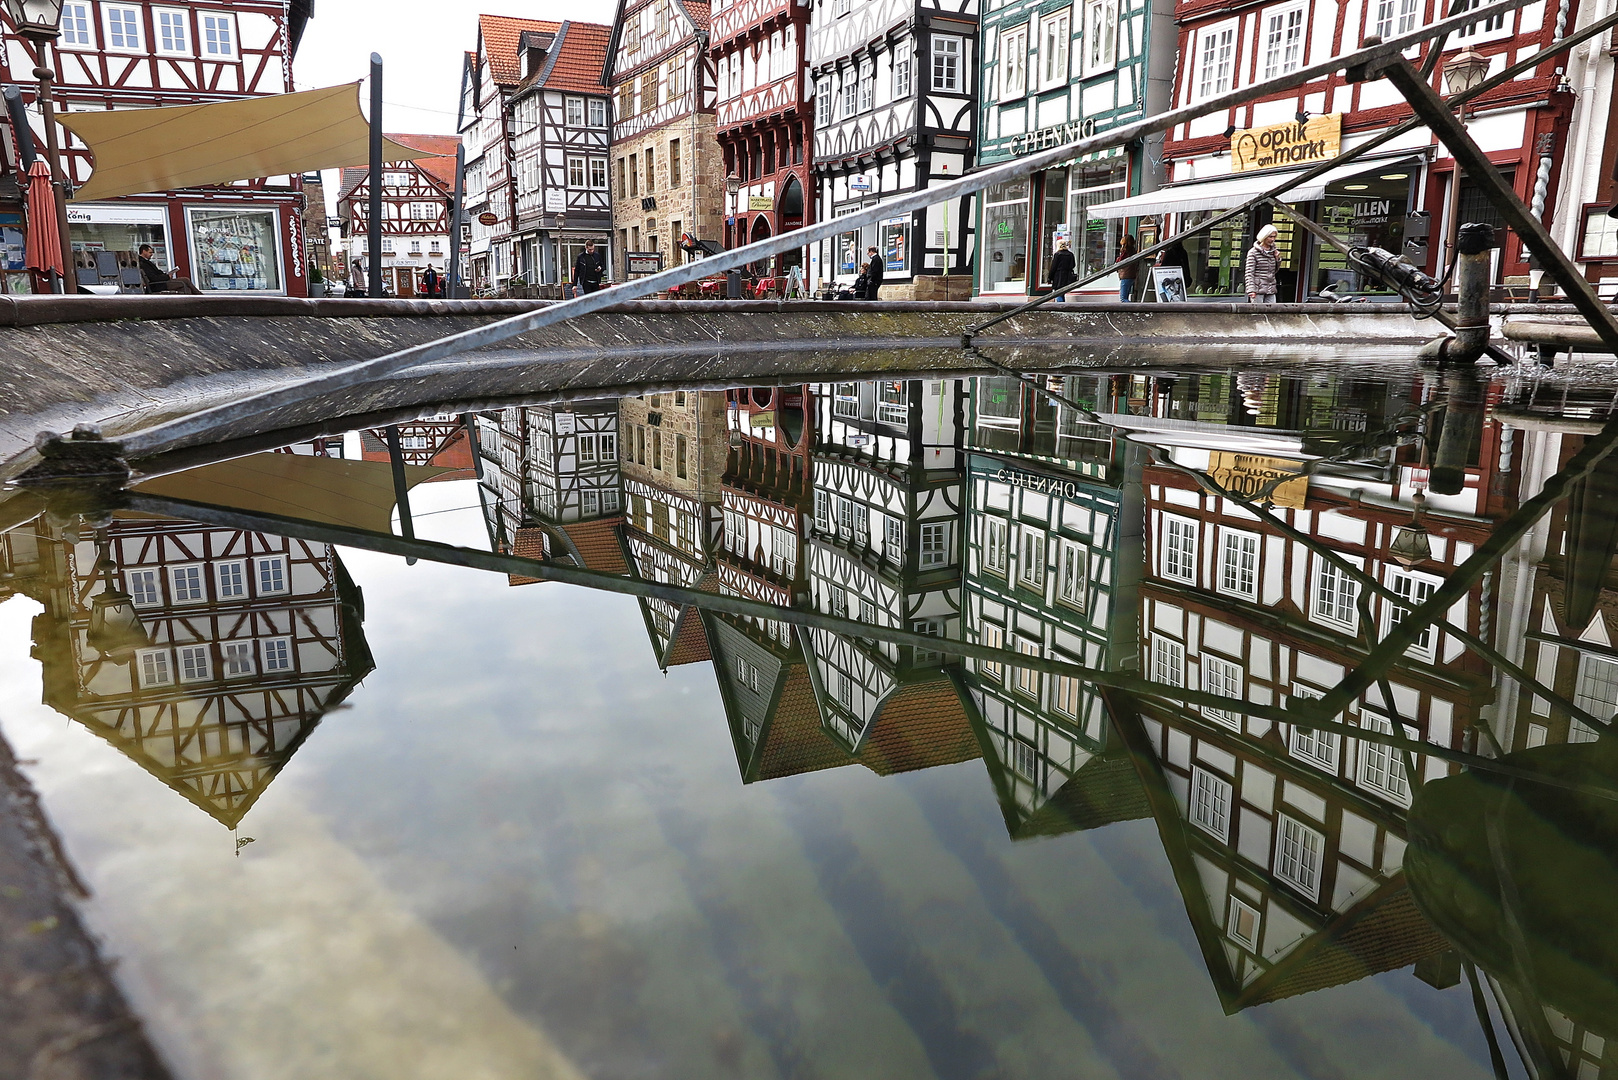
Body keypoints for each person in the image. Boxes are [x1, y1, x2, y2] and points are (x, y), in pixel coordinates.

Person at [1246, 224, 1281, 304]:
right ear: (1264, 236)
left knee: (1272, 312)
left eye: (1274, 237)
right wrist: (1251, 290)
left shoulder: (1273, 251)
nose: (1272, 239)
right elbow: (1249, 273)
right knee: (1258, 313)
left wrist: (1277, 259)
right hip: (1258, 289)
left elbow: (1274, 271)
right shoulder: (1253, 252)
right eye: (1270, 237)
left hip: (1270, 288)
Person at [1048, 237, 1077, 302]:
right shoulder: (1070, 254)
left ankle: (1060, 307)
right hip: (1068, 275)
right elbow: (1073, 265)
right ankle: (1062, 306)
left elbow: (1053, 267)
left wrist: (1050, 278)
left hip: (1059, 276)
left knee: (1058, 293)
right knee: (1063, 292)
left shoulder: (1057, 254)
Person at [1116, 233, 1139, 302]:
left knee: (1123, 298)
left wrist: (1117, 259)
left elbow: (1119, 261)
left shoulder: (1125, 251)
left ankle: (1134, 309)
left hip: (1126, 275)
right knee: (1126, 295)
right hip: (1132, 275)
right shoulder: (1133, 250)